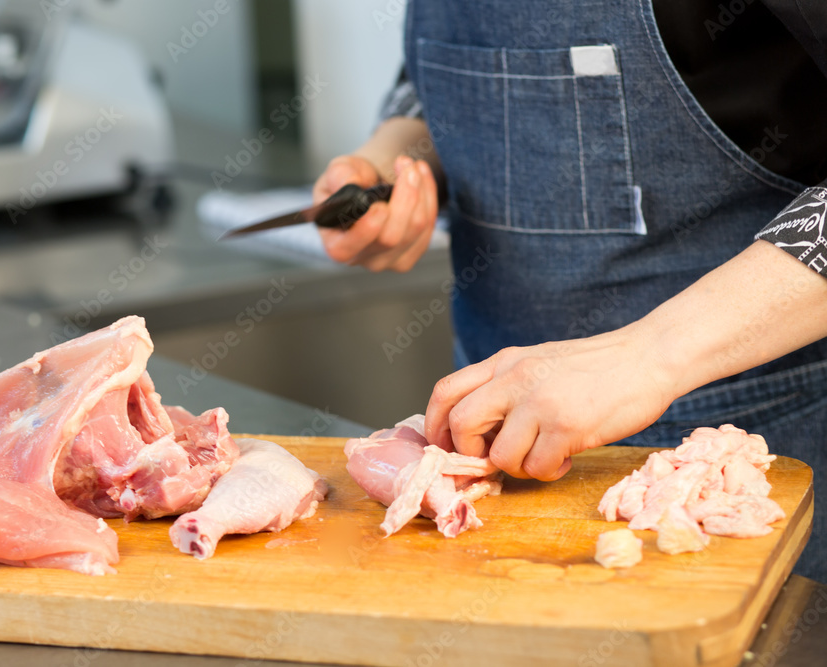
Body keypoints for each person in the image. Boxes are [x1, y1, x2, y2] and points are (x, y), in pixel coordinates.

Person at [313, 0, 827, 582]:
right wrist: (400, 158)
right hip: (482, 441)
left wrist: (650, 353)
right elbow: (473, 62)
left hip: (743, 430)